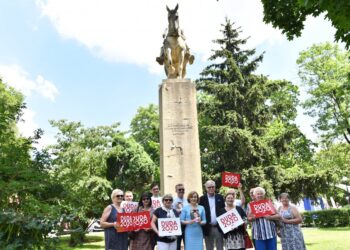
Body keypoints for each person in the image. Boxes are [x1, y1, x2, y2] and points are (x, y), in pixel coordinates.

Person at [199, 180, 225, 250]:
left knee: (220, 247)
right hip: (208, 227)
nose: (211, 189)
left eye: (212, 187)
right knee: (209, 248)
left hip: (218, 227)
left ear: (215, 187)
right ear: (206, 188)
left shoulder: (220, 197)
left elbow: (224, 211)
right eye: (209, 187)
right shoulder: (202, 199)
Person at [173, 184, 188, 250]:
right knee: (177, 245)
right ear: (176, 190)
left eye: (183, 189)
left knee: (187, 244)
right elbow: (171, 213)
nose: (181, 191)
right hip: (177, 225)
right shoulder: (173, 201)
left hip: (187, 225)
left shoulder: (187, 201)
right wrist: (176, 212)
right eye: (179, 189)